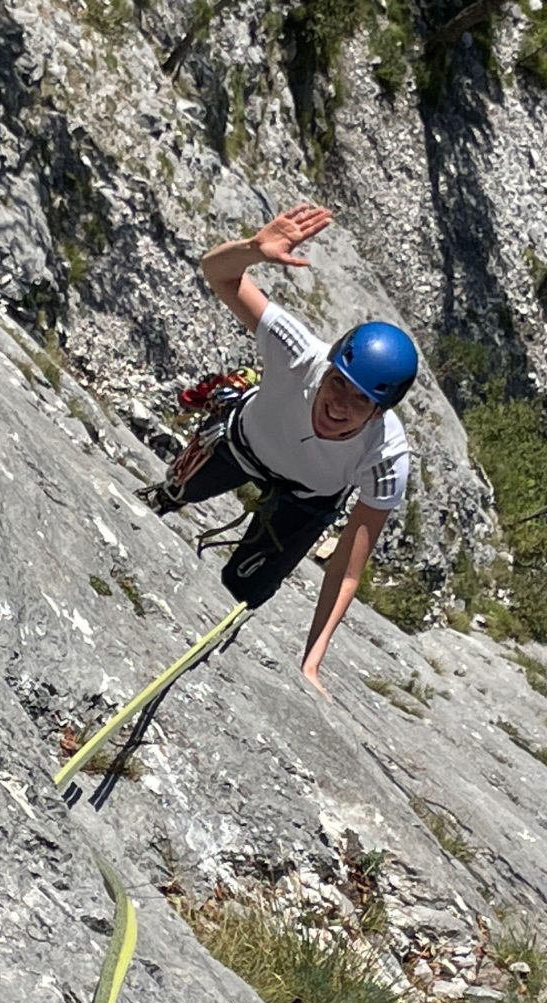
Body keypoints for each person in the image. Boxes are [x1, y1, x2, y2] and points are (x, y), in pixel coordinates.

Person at [141, 203, 418, 700]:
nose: (340, 403)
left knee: (243, 591)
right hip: (243, 443)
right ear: (328, 366)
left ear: (379, 413)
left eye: (361, 400)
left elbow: (347, 566)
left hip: (305, 498)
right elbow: (217, 273)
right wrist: (252, 249)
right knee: (172, 495)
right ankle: (168, 494)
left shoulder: (386, 457)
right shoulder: (299, 352)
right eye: (339, 382)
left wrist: (312, 661)